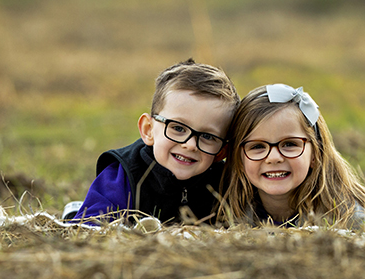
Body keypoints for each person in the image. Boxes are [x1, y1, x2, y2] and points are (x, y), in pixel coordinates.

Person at [66, 59, 240, 224]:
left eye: (208, 136)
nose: (190, 144)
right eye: (178, 128)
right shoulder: (124, 174)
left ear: (222, 151)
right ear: (148, 130)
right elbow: (93, 222)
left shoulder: (225, 183)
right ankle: (75, 209)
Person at [220, 84, 365, 230]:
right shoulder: (224, 212)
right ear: (239, 159)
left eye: (289, 144)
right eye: (257, 146)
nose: (274, 158)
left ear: (315, 154)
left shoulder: (347, 218)